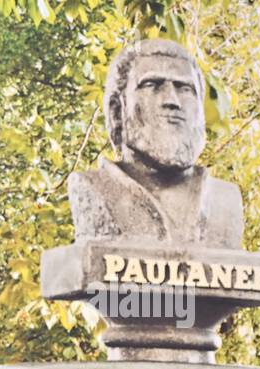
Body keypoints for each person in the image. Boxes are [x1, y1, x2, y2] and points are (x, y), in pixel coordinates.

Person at [68, 38, 242, 247]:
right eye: (152, 85)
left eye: (184, 88)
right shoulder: (95, 190)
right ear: (117, 111)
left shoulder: (224, 200)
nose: (172, 100)